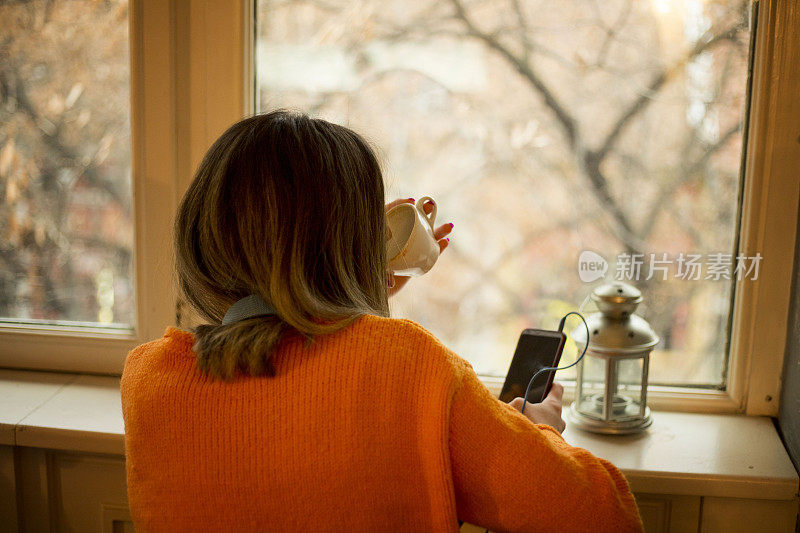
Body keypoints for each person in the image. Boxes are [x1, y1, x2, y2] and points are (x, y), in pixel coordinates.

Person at [121, 110, 643, 532]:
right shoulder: (409, 367)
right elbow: (605, 518)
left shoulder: (149, 381)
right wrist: (542, 433)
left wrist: (352, 290)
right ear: (354, 243)